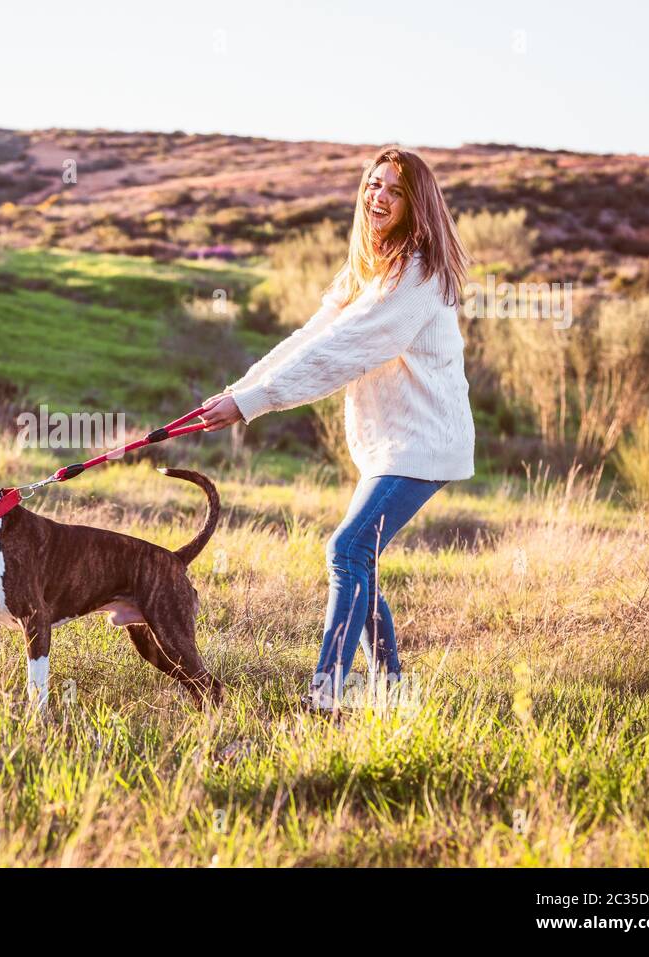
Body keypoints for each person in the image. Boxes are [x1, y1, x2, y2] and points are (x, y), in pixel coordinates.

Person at [199, 146, 474, 709]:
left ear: (416, 204)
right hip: (391, 446)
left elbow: (345, 353)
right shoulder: (369, 270)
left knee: (346, 551)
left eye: (396, 191)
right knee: (360, 559)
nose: (380, 197)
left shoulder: (416, 276)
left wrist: (254, 404)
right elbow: (314, 337)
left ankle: (325, 695)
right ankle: (393, 691)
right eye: (374, 185)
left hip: (425, 445)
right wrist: (241, 390)